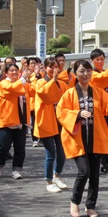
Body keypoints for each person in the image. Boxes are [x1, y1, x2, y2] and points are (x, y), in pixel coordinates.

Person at [56, 60, 108, 217]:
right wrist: (77, 114)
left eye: (88, 71)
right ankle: (75, 202)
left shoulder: (98, 92)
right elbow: (61, 112)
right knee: (84, 172)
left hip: (95, 139)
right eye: (81, 71)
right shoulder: (69, 93)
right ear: (75, 73)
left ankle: (90, 206)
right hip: (78, 140)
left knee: (94, 175)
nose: (85, 74)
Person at [34, 57, 69, 193]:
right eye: (51, 66)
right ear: (45, 68)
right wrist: (53, 80)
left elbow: (68, 97)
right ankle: (48, 181)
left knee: (62, 153)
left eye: (56, 66)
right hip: (46, 122)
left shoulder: (62, 83)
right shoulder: (40, 83)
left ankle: (57, 175)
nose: (54, 69)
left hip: (59, 122)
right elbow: (44, 95)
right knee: (51, 153)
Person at [0, 63, 32, 179]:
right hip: (7, 121)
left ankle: (16, 170)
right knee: (3, 147)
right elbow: (12, 89)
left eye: (16, 70)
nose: (14, 72)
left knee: (20, 149)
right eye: (11, 71)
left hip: (21, 121)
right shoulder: (4, 83)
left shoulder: (22, 83)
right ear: (6, 73)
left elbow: (34, 90)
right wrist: (23, 79)